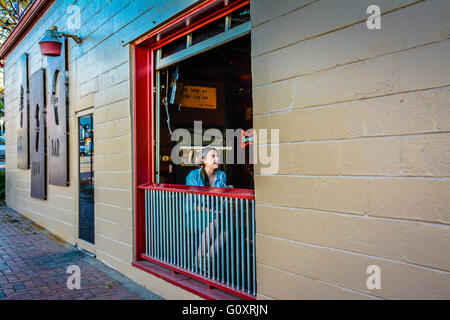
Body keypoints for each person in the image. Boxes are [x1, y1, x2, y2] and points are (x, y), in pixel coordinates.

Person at [185, 147, 229, 272]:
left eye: (217, 156)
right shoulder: (193, 175)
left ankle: (204, 260)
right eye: (213, 156)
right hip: (195, 212)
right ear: (203, 160)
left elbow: (223, 198)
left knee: (228, 230)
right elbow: (192, 203)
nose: (217, 159)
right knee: (215, 221)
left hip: (215, 214)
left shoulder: (221, 175)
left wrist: (225, 205)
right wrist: (214, 212)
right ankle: (200, 257)